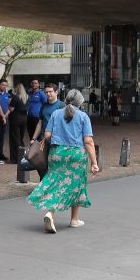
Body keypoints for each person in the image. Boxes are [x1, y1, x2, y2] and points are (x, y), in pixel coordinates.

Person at [28, 89, 99, 233]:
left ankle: (51, 212)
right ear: (80, 102)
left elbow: (47, 135)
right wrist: (94, 162)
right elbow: (88, 141)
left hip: (57, 153)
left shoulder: (55, 114)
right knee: (77, 185)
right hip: (76, 155)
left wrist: (60, 134)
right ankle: (74, 219)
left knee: (56, 181)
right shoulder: (83, 116)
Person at [30, 83, 65, 180]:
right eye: (46, 92)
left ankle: (52, 187)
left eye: (50, 92)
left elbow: (63, 125)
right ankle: (43, 186)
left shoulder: (61, 106)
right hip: (43, 142)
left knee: (54, 166)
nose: (48, 94)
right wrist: (33, 138)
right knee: (41, 164)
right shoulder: (43, 106)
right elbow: (39, 123)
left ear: (56, 92)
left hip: (57, 142)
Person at [7, 82, 30, 162]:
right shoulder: (27, 97)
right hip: (24, 118)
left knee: (14, 138)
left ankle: (15, 158)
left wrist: (9, 103)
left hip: (16, 118)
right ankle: (23, 155)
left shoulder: (16, 97)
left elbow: (11, 109)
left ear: (17, 88)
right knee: (20, 137)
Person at [0, 79, 12, 162]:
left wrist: (5, 116)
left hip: (5, 119)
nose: (4, 86)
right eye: (3, 85)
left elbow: (11, 107)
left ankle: (0, 153)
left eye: (6, 85)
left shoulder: (8, 95)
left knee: (2, 136)